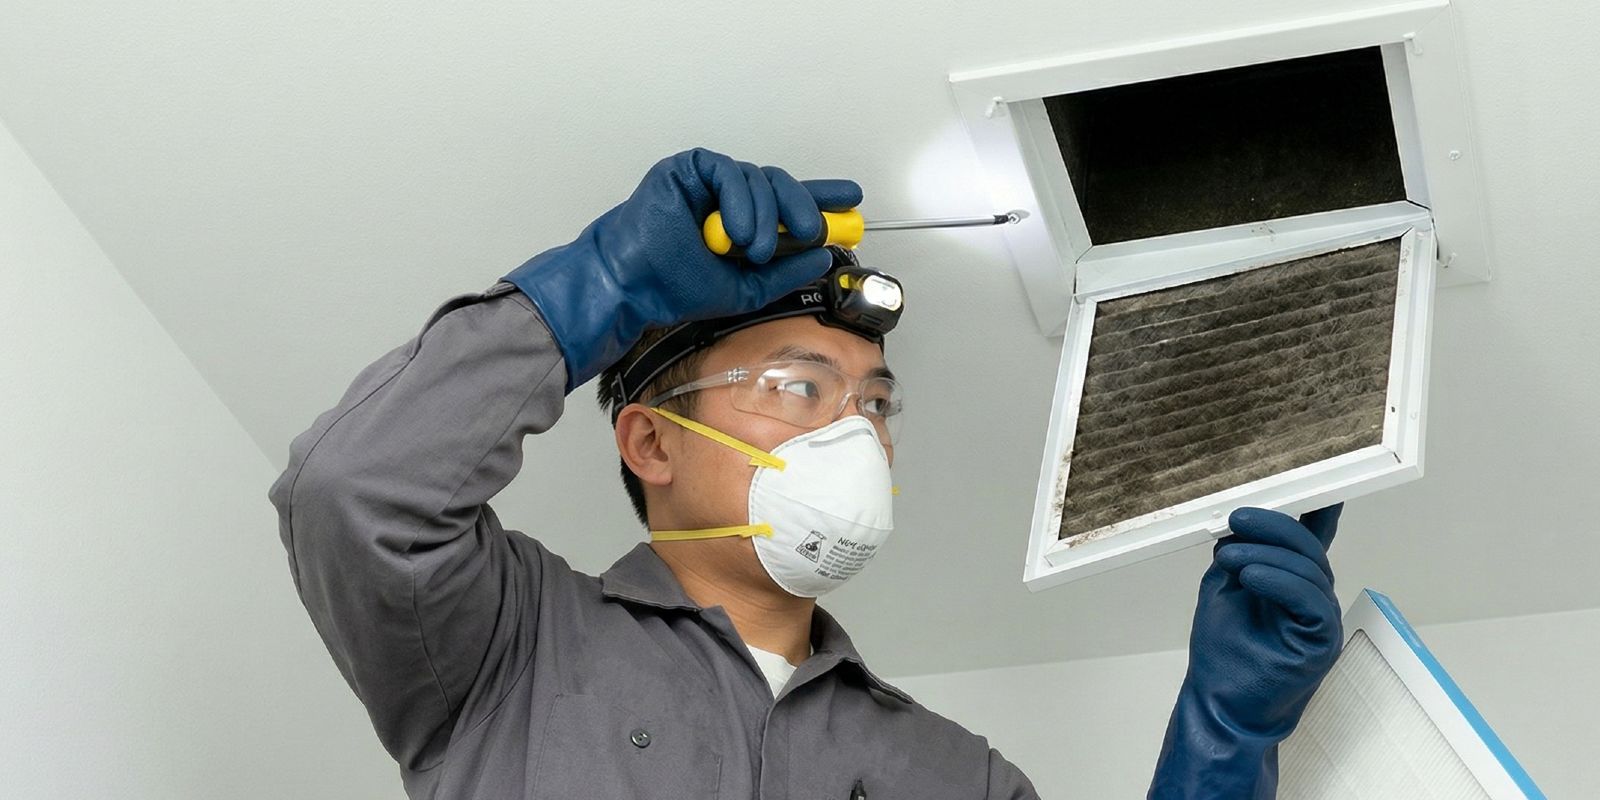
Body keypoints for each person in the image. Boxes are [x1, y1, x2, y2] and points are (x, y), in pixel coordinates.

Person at [268, 148, 1345, 799]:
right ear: (651, 442)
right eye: (795, 385)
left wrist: (1225, 731)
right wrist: (604, 278)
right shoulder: (510, 645)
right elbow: (354, 489)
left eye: (874, 401)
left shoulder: (951, 775)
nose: (855, 432)